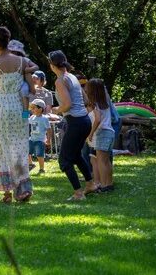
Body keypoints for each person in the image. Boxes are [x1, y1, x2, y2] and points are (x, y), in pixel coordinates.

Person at [0, 27, 33, 203]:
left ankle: (7, 193)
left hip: (2, 108)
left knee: (2, 149)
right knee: (19, 147)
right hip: (19, 107)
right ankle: (23, 188)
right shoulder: (22, 60)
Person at [49, 50, 98, 201]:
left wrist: (55, 109)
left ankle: (78, 193)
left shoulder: (60, 80)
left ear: (52, 65)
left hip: (76, 122)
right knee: (76, 155)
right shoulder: (72, 77)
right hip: (85, 121)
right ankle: (90, 184)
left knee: (64, 160)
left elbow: (67, 104)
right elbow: (84, 99)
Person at [85, 78, 115, 192]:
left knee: (101, 161)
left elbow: (97, 119)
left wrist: (91, 133)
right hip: (110, 132)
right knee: (106, 161)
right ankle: (109, 183)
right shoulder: (105, 102)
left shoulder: (96, 104)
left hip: (102, 132)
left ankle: (103, 185)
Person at [6, 40, 39, 119]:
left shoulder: (24, 60)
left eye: (14, 52)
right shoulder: (7, 61)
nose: (13, 53)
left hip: (23, 81)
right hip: (11, 82)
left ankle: (25, 110)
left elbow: (36, 67)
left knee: (24, 90)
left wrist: (25, 70)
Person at [28, 99, 51, 174]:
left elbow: (49, 129)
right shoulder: (32, 117)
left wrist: (48, 139)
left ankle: (41, 169)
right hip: (32, 139)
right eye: (31, 108)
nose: (32, 109)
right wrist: (24, 112)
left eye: (33, 108)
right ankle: (31, 164)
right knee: (26, 152)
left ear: (40, 109)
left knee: (39, 155)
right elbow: (25, 120)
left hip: (40, 140)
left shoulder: (44, 119)